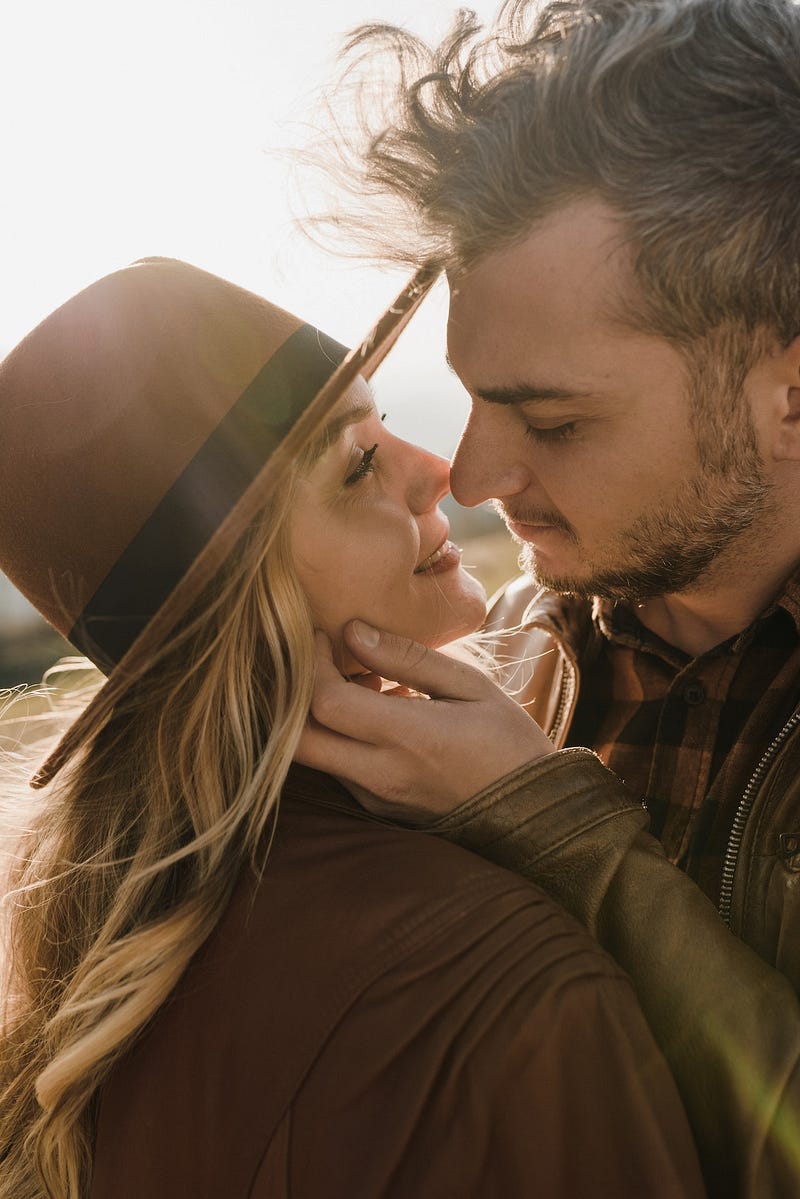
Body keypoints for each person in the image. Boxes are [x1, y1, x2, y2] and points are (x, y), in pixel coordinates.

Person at [0, 258, 704, 1199]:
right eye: (359, 463)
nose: (439, 470)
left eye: (384, 425)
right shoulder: (505, 985)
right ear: (241, 597)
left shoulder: (92, 960)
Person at [297, 1, 800, 1196]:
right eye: (470, 398)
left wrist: (548, 830)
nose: (470, 477)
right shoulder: (492, 665)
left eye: (554, 419)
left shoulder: (496, 760)